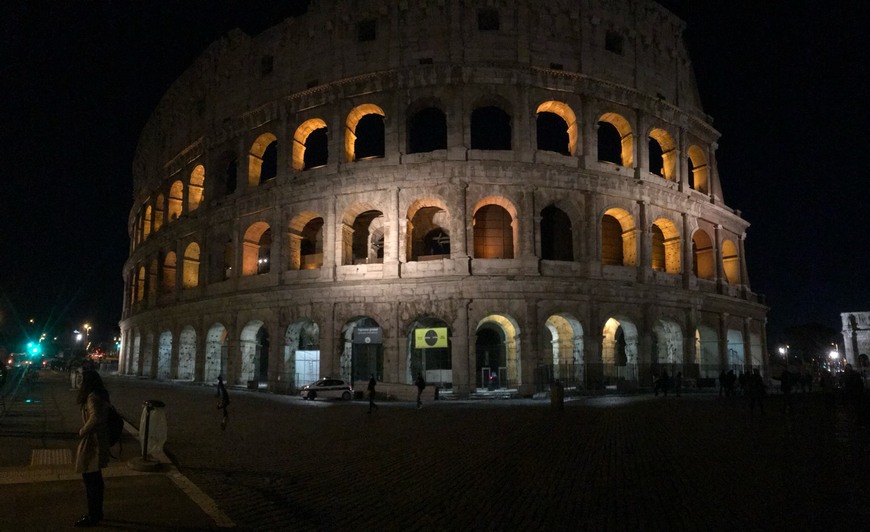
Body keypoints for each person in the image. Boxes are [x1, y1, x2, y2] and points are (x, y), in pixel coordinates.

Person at [74, 370, 111, 527]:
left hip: (93, 441)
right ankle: (96, 512)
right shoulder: (99, 394)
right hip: (98, 439)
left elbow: (95, 417)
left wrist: (83, 430)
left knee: (90, 477)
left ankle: (93, 515)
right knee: (95, 478)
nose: (80, 381)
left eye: (82, 379)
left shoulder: (92, 396)